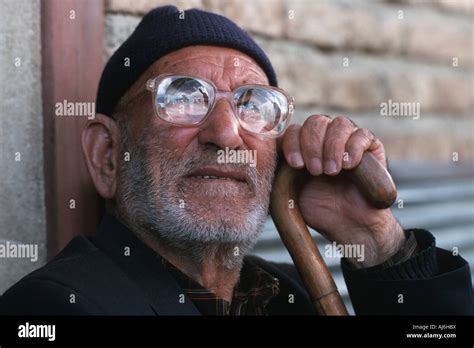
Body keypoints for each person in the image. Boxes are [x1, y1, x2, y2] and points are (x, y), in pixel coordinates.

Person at [1, 6, 472, 315]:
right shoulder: (57, 308)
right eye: (184, 98)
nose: (227, 133)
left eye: (253, 105)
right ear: (107, 157)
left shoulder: (292, 294)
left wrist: (376, 241)